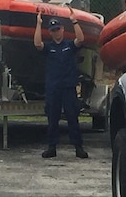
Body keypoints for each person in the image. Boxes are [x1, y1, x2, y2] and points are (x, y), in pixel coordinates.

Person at [34, 9, 89, 159]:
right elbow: (37, 44)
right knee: (52, 118)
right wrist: (38, 24)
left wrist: (74, 21)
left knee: (73, 117)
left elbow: (81, 39)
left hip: (68, 87)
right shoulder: (49, 47)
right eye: (53, 30)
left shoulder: (70, 45)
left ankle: (78, 147)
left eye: (57, 29)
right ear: (50, 32)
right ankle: (52, 147)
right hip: (53, 88)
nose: (56, 32)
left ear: (62, 29)